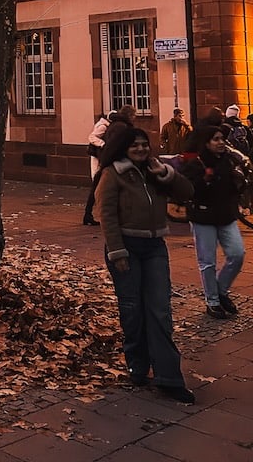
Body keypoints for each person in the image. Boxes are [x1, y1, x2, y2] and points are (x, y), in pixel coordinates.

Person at [95, 126, 195, 403]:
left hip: (154, 247)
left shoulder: (155, 170)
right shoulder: (113, 174)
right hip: (126, 247)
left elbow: (187, 191)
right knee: (132, 309)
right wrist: (117, 251)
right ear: (123, 147)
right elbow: (106, 214)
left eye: (144, 145)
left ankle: (169, 377)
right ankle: (137, 365)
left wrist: (165, 173)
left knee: (160, 309)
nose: (140, 149)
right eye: (134, 145)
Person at [181, 125, 246, 319]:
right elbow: (189, 190)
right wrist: (205, 180)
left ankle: (221, 290)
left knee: (237, 254)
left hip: (226, 215)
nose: (220, 143)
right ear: (207, 143)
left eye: (222, 139)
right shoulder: (196, 163)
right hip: (203, 217)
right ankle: (213, 301)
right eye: (215, 139)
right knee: (207, 261)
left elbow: (233, 187)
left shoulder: (227, 160)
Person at [82, 110, 117, 226]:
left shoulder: (104, 125)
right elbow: (92, 137)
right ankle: (88, 214)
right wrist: (103, 144)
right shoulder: (103, 126)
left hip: (99, 157)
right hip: (97, 157)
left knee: (96, 186)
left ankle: (88, 214)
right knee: (96, 185)